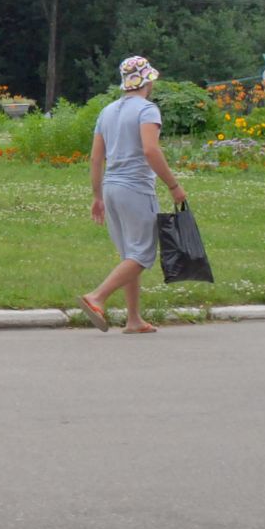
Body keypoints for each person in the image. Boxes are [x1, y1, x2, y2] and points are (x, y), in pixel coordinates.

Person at [77, 55, 187, 336]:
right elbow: (151, 151)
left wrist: (97, 196)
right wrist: (173, 186)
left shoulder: (108, 111)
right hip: (136, 188)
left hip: (111, 188)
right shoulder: (147, 110)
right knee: (141, 255)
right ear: (147, 80)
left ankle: (134, 319)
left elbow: (95, 159)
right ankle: (97, 297)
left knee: (129, 254)